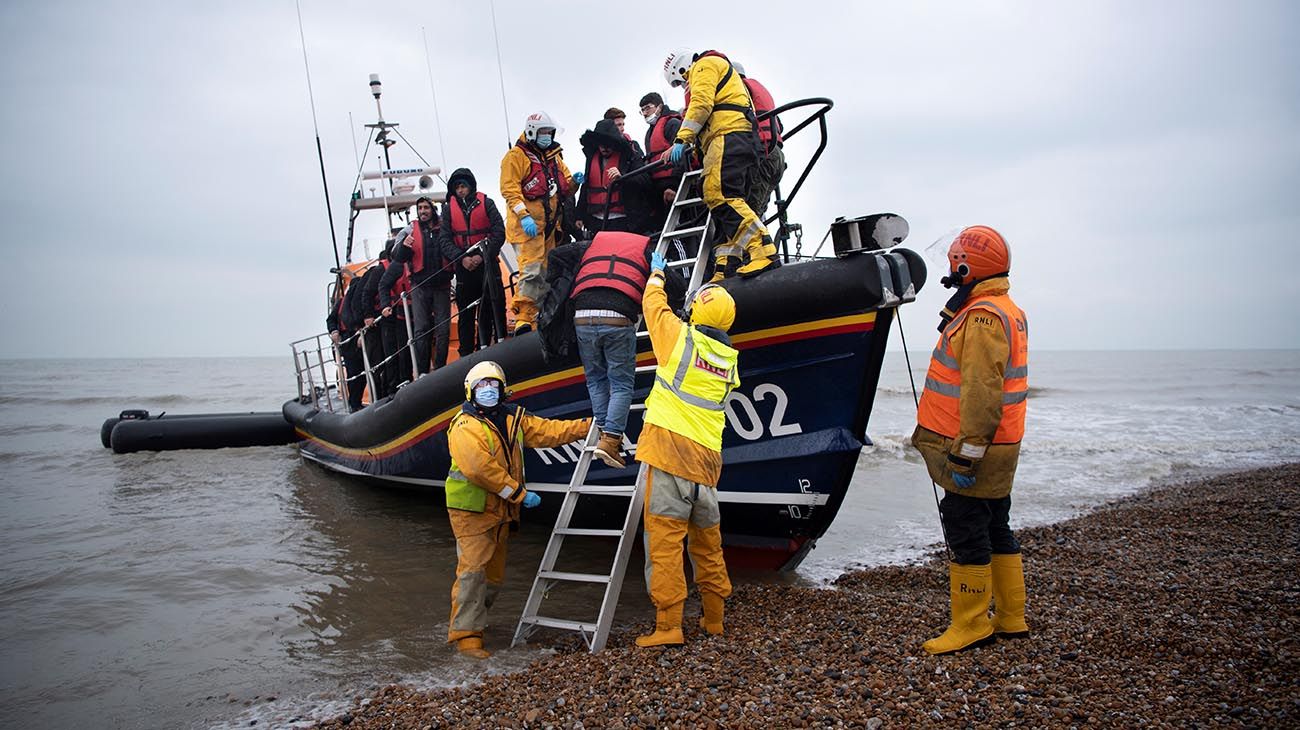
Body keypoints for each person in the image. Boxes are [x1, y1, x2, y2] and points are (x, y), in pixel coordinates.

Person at [912, 225, 1030, 655]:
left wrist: (966, 455)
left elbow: (982, 392)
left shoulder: (983, 319)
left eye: (954, 260)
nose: (949, 266)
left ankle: (971, 624)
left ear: (968, 266)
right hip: (1004, 443)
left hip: (977, 447)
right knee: (996, 523)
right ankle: (1012, 618)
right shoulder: (1005, 308)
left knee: (965, 525)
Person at [444, 361, 592, 658]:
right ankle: (466, 635)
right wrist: (519, 494)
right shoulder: (464, 426)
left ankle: (477, 621)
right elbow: (478, 468)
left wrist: (587, 427)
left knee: (494, 575)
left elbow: (547, 432)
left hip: (500, 509)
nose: (488, 390)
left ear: (503, 388)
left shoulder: (513, 418)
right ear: (470, 391)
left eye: (493, 385)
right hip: (472, 510)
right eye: (482, 386)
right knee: (473, 571)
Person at [634, 251, 739, 648]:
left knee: (664, 546)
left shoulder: (680, 340)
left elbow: (652, 306)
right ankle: (714, 620)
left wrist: (657, 274)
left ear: (696, 311)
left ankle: (668, 627)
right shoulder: (729, 361)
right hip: (707, 467)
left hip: (668, 459)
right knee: (708, 546)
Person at [662, 48, 779, 281]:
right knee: (726, 205)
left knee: (719, 194)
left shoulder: (703, 66)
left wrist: (681, 139)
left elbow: (701, 105)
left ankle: (762, 249)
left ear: (682, 68)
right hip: (735, 138)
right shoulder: (716, 67)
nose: (683, 86)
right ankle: (727, 266)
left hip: (727, 136)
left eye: (679, 81)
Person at [570, 231, 655, 469]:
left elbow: (557, 254)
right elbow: (676, 285)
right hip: (617, 319)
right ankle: (611, 439)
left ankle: (603, 435)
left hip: (582, 316)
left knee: (595, 379)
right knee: (621, 383)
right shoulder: (644, 250)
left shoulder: (590, 246)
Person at [500, 111, 582, 335]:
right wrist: (524, 215)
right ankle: (523, 320)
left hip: (548, 228)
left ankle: (540, 316)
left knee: (547, 271)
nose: (547, 136)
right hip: (527, 228)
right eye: (544, 132)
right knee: (532, 269)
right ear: (532, 131)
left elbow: (563, 186)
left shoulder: (553, 157)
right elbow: (510, 190)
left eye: (549, 132)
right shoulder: (515, 157)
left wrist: (575, 181)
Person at [439, 167, 507, 356]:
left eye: (463, 186)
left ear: (471, 186)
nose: (460, 190)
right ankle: (467, 353)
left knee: (495, 305)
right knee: (466, 314)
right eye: (457, 187)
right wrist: (462, 259)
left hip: (487, 263)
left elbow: (499, 232)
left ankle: (498, 344)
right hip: (464, 268)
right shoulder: (447, 211)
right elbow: (444, 240)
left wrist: (482, 256)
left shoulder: (487, 204)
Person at [388, 198, 453, 372]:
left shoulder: (445, 228)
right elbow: (396, 255)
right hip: (420, 285)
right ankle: (423, 371)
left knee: (443, 329)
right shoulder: (409, 230)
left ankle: (441, 367)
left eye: (426, 208)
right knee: (421, 330)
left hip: (442, 285)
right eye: (420, 208)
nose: (422, 211)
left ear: (433, 209)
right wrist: (404, 246)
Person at [577, 118, 650, 234]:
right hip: (595, 222)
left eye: (609, 143)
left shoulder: (629, 157)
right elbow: (586, 187)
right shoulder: (592, 158)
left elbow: (645, 180)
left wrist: (623, 177)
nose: (605, 147)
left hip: (622, 220)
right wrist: (579, 215)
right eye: (601, 143)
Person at [732, 62, 785, 221]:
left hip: (760, 155)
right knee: (757, 214)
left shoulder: (738, 89)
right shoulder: (759, 89)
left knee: (747, 218)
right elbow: (779, 125)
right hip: (776, 156)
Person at [369, 243, 414, 395]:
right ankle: (391, 387)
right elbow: (368, 293)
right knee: (393, 352)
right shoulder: (381, 271)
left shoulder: (414, 264)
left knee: (407, 347)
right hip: (390, 316)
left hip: (412, 311)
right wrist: (368, 317)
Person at [638, 92, 684, 233]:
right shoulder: (649, 132)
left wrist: (674, 186)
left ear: (659, 107)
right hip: (658, 187)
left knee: (679, 229)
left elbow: (681, 154)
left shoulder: (672, 124)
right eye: (642, 110)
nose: (645, 113)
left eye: (647, 108)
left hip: (674, 184)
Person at [326, 276, 366, 411]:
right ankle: (354, 403)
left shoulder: (362, 300)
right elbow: (331, 319)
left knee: (366, 372)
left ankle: (358, 401)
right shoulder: (342, 303)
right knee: (354, 372)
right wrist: (334, 331)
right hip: (348, 341)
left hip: (363, 337)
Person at [354, 259, 390, 398]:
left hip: (386, 322)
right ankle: (378, 395)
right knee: (376, 361)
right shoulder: (375, 275)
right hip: (372, 326)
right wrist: (362, 325)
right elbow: (363, 299)